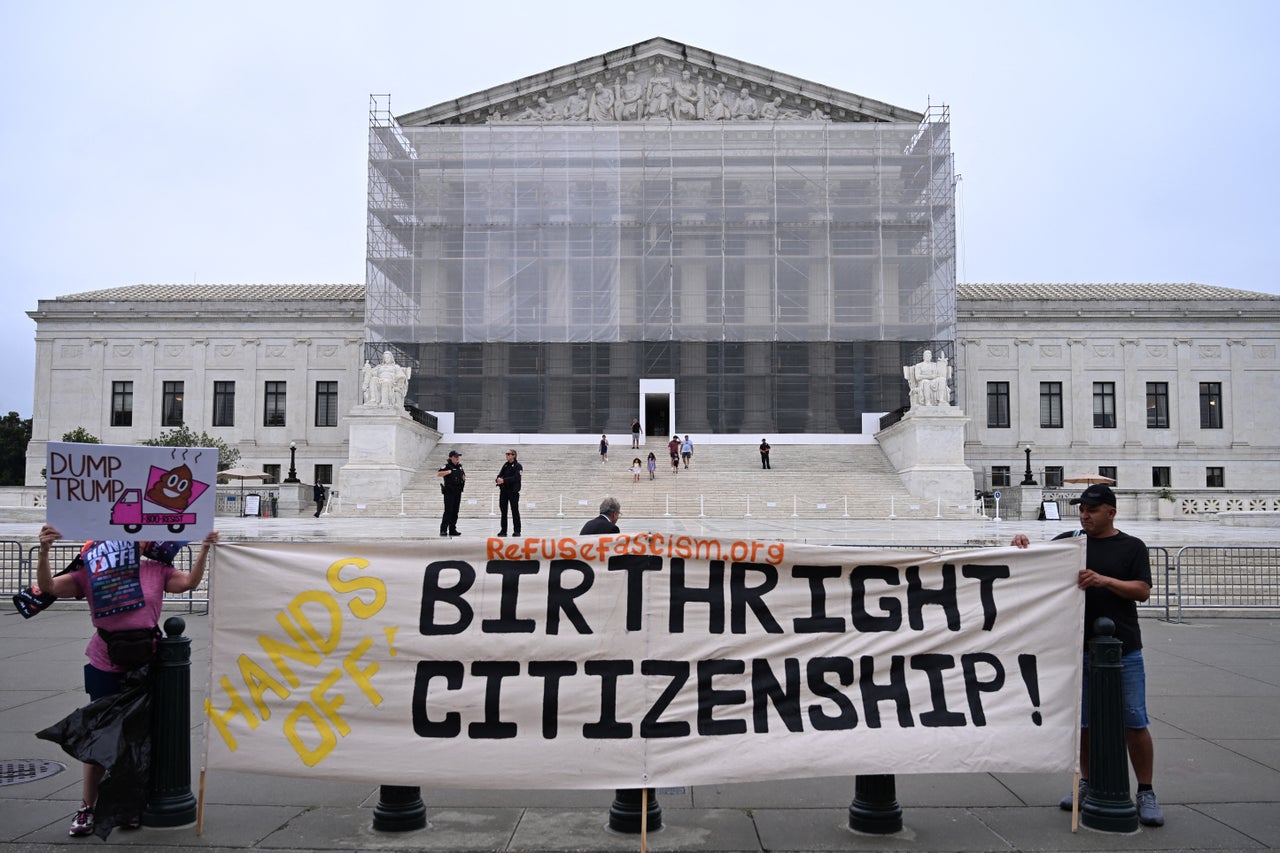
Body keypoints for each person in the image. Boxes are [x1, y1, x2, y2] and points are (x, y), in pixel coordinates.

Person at [35, 525, 219, 837]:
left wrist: (203, 550)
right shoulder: (93, 571)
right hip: (106, 661)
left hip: (147, 662)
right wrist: (44, 551)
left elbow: (189, 583)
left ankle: (129, 806)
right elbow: (50, 587)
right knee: (100, 736)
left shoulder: (156, 569)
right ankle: (87, 807)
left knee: (138, 738)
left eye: (138, 535)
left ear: (147, 542)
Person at [1011, 484, 1164, 827]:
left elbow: (1142, 591)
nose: (1085, 515)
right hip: (1077, 646)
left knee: (1134, 721)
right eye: (1082, 509)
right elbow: (1037, 565)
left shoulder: (1132, 547)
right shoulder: (1071, 541)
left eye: (1092, 510)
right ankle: (1086, 783)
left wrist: (1104, 580)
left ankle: (1146, 790)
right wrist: (1021, 546)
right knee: (1084, 723)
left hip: (1124, 648)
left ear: (1111, 512)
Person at [436, 450, 466, 537]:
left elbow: (462, 475)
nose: (457, 458)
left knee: (455, 512)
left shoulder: (459, 467)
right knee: (448, 511)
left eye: (458, 457)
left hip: (458, 492)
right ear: (451, 458)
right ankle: (443, 530)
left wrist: (463, 478)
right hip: (449, 492)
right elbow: (438, 474)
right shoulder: (447, 466)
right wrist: (448, 472)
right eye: (455, 457)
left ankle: (452, 529)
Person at [495, 449, 522, 537]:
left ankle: (517, 531)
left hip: (513, 492)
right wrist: (498, 479)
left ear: (514, 455)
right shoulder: (505, 465)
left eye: (509, 454)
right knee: (503, 512)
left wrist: (504, 480)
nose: (507, 455)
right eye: (506, 454)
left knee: (515, 511)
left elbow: (516, 478)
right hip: (504, 492)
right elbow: (500, 474)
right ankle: (503, 530)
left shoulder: (518, 466)